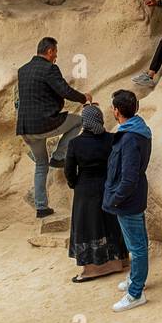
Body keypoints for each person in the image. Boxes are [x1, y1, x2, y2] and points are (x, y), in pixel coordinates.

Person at [16, 36, 91, 219]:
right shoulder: (49, 68)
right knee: (79, 121)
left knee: (41, 164)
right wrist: (84, 98)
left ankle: (41, 207)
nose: (56, 56)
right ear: (49, 51)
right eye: (55, 52)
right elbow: (64, 90)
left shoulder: (23, 70)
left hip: (25, 127)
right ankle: (58, 156)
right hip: (45, 123)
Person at [64, 103, 130, 282]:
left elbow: (69, 170)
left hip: (85, 190)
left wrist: (74, 184)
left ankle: (92, 270)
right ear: (100, 119)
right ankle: (119, 262)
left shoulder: (75, 143)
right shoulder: (112, 139)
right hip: (108, 187)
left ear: (84, 122)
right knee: (111, 224)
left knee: (88, 227)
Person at [103, 89, 152, 312]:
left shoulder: (131, 137)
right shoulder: (136, 129)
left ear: (117, 110)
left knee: (137, 246)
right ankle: (135, 280)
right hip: (133, 197)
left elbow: (129, 177)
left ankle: (136, 294)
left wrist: (115, 199)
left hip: (128, 200)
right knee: (137, 243)